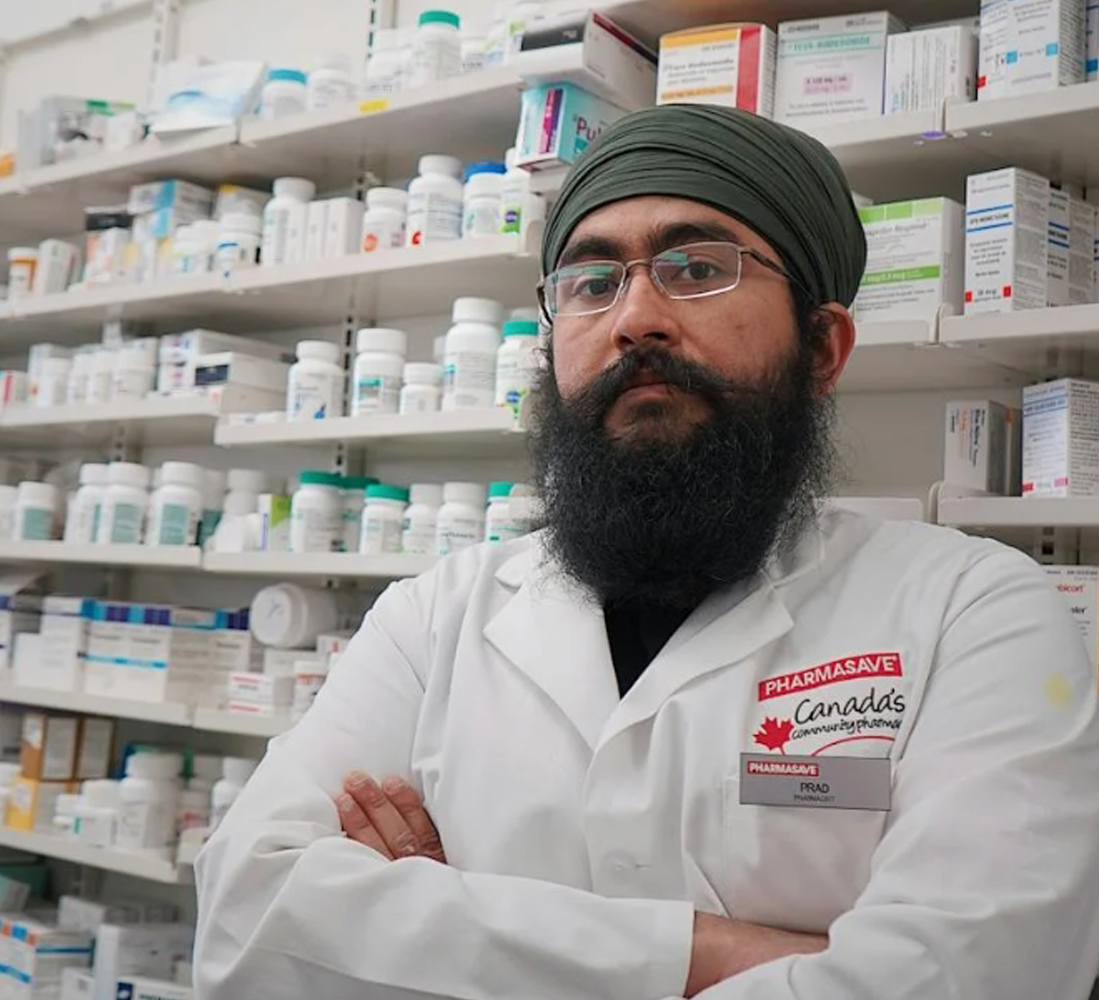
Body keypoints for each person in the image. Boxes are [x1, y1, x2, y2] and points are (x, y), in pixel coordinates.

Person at [193, 105, 1099, 1000]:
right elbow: (246, 922)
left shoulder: (973, 611)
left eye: (697, 268)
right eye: (591, 282)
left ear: (822, 348)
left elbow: (983, 974)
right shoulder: (435, 617)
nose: (636, 319)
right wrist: (724, 953)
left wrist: (436, 918)